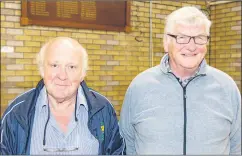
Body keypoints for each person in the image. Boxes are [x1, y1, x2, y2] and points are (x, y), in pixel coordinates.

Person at [120, 6, 241, 155]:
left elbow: (237, 145)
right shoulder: (139, 87)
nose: (191, 46)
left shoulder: (227, 87)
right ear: (166, 42)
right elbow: (127, 143)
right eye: (181, 37)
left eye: (200, 38)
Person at [0, 37, 125, 155]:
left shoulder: (103, 109)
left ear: (82, 74)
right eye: (55, 65)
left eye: (71, 67)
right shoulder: (16, 113)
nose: (62, 76)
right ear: (42, 69)